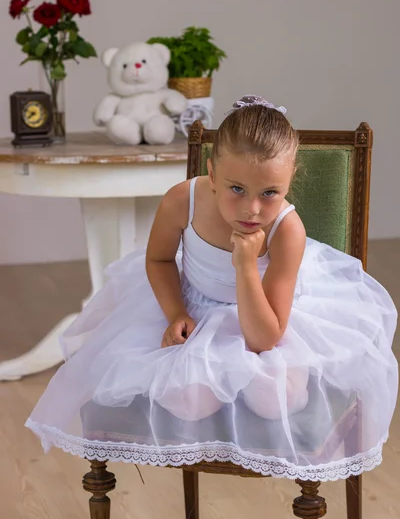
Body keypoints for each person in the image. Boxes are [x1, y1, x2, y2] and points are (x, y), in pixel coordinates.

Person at [26, 95, 398, 481]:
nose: (252, 209)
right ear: (213, 173)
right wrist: (176, 314)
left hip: (263, 314)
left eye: (270, 192)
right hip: (194, 305)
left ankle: (239, 390)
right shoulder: (181, 200)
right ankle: (214, 389)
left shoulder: (287, 231)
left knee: (275, 400)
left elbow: (263, 338)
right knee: (186, 400)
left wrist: (246, 266)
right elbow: (158, 260)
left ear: (289, 181)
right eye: (236, 188)